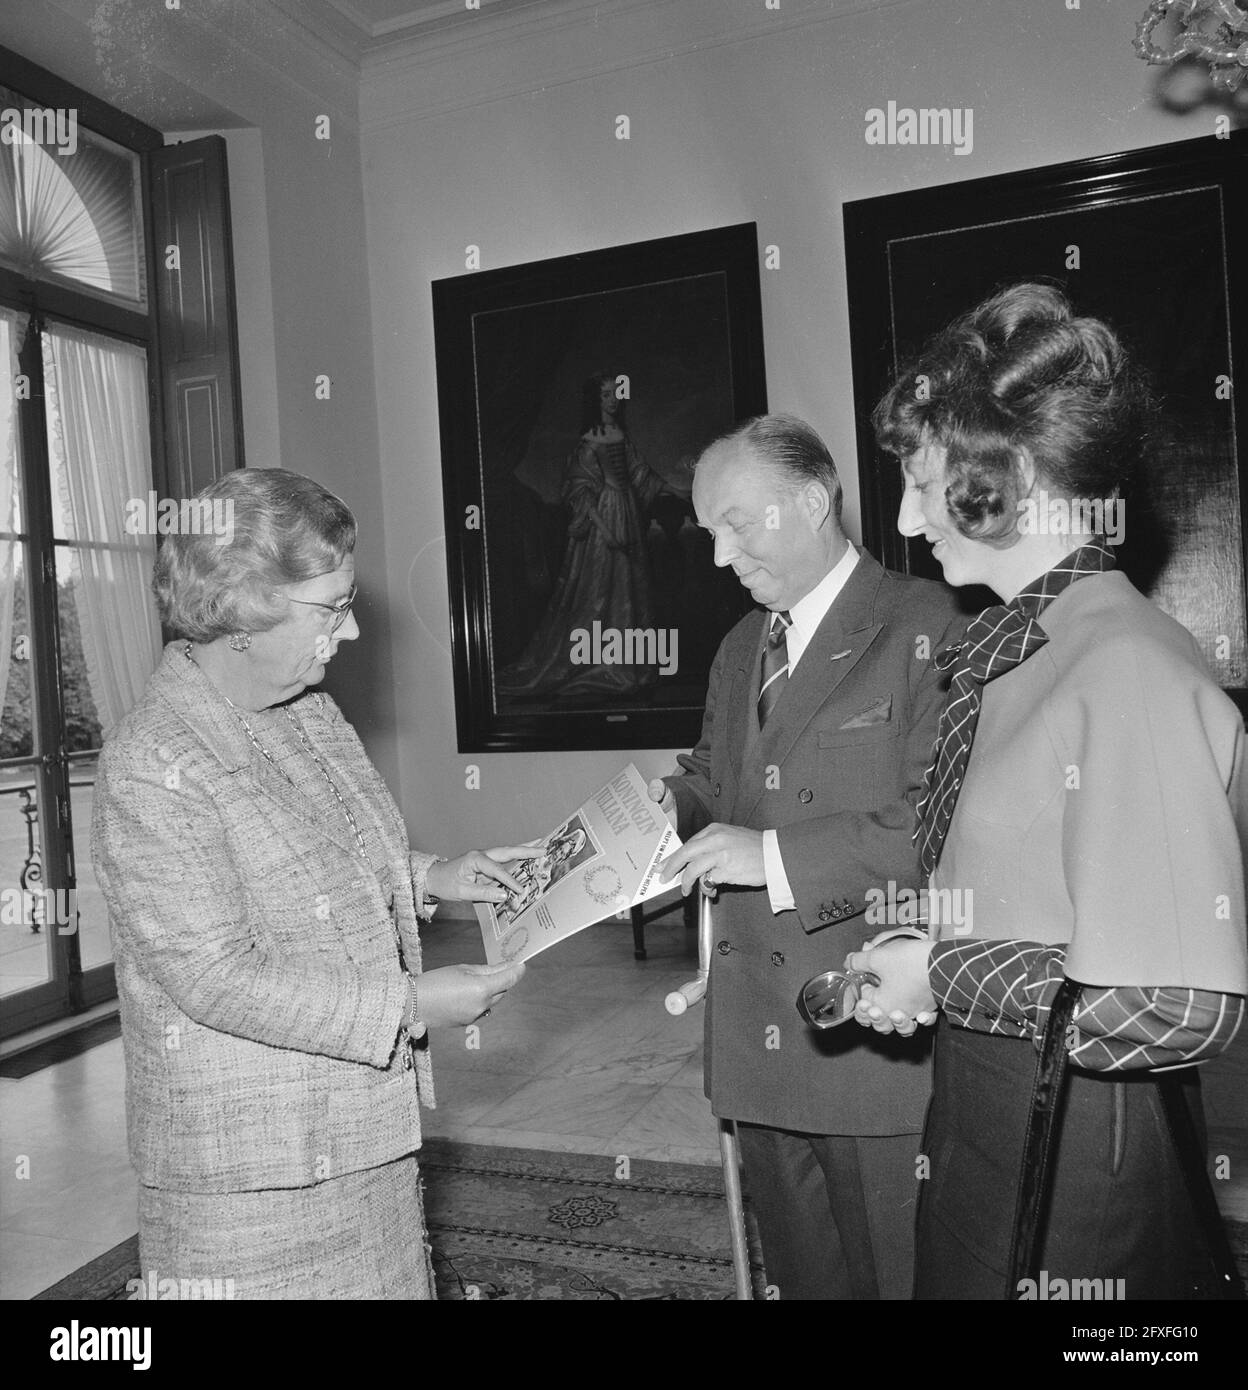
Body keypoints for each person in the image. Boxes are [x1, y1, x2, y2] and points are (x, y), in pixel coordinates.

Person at [850, 282, 1248, 1299]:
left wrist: (943, 977)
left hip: (1085, 1164)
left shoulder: (1125, 666)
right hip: (990, 1111)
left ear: (1011, 471)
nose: (904, 516)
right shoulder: (1032, 644)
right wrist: (931, 953)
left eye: (923, 482)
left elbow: (1174, 1004)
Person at [91, 468, 530, 1300]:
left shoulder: (306, 711)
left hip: (361, 1134)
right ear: (244, 609)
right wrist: (413, 1004)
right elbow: (214, 977)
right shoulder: (152, 761)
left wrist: (435, 876)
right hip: (249, 1178)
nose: (354, 629)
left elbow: (315, 856)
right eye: (331, 607)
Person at [652, 414, 964, 1299]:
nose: (719, 555)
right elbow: (716, 776)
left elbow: (943, 827)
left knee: (895, 1275)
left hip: (867, 1029)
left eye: (737, 525)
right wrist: (655, 813)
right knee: (805, 1276)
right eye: (710, 531)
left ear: (815, 499)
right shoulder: (741, 646)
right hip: (756, 1035)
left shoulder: (931, 622)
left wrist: (774, 857)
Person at [499, 370, 685, 700]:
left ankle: (629, 663)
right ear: (595, 401)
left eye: (616, 395)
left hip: (627, 511)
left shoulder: (620, 435)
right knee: (598, 590)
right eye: (605, 395)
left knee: (629, 588)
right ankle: (598, 662)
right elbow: (580, 489)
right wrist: (606, 529)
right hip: (606, 516)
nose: (612, 400)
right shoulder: (591, 439)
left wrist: (678, 490)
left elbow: (642, 474)